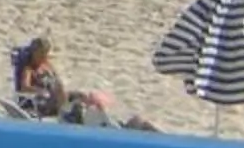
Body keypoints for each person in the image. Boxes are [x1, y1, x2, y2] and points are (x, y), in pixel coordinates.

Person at [13, 35, 158, 130]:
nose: (43, 56)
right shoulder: (29, 69)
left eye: (45, 53)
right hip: (41, 101)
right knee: (63, 94)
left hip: (54, 96)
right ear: (34, 53)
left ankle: (95, 117)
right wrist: (41, 92)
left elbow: (57, 79)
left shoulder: (46, 64)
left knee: (81, 95)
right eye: (41, 53)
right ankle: (71, 115)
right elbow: (25, 87)